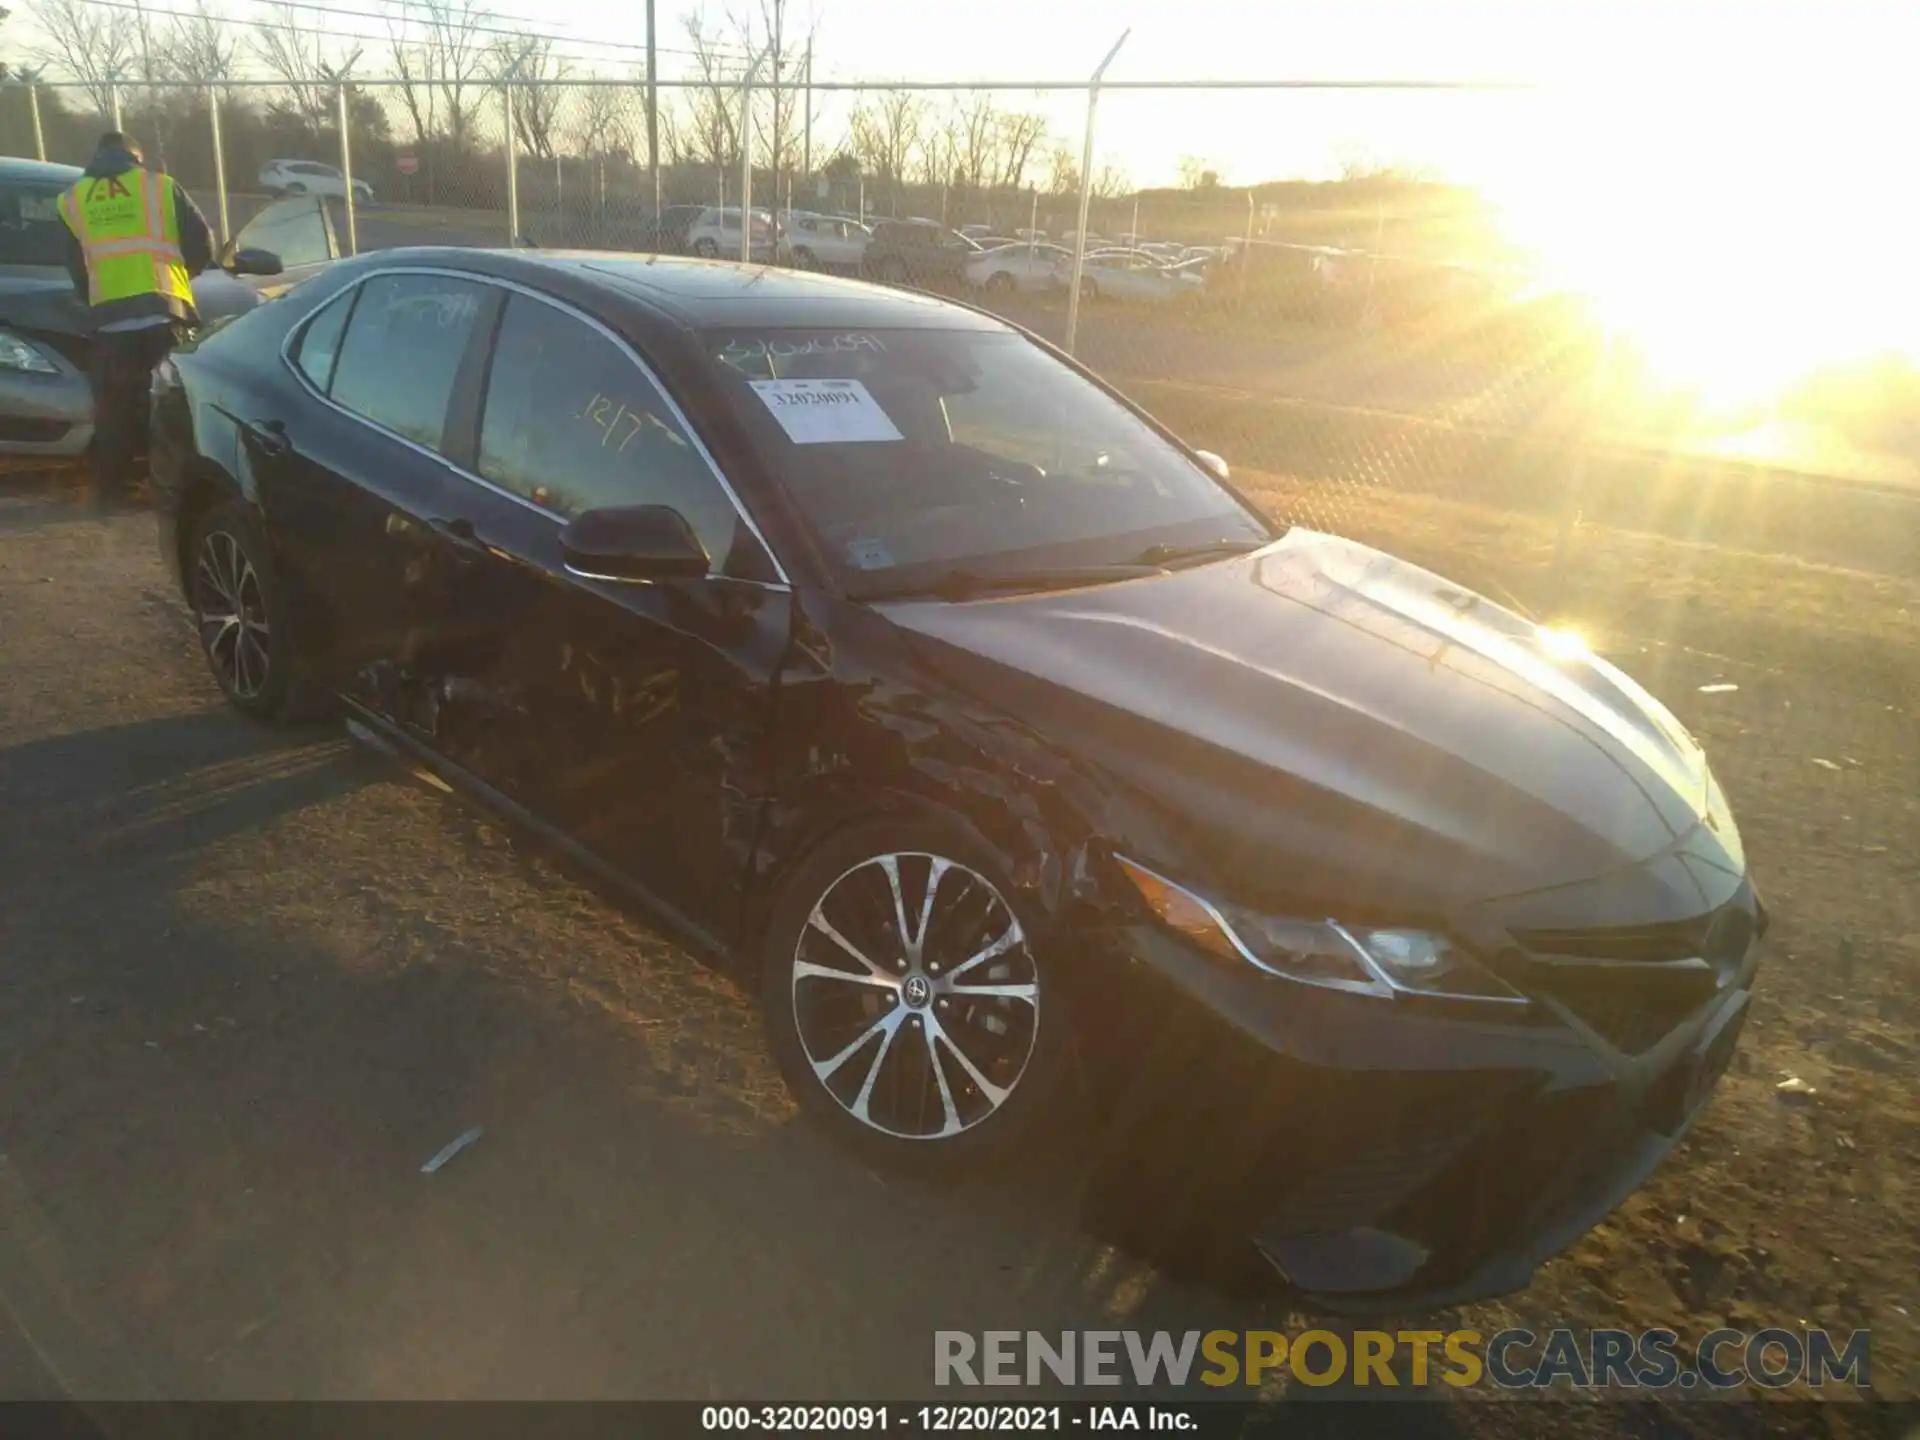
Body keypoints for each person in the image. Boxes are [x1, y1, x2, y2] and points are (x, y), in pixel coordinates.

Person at [57, 131, 215, 496]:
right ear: (135, 157)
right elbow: (202, 241)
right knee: (170, 403)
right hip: (164, 313)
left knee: (114, 408)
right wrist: (180, 275)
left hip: (110, 321)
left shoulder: (73, 199)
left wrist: (95, 299)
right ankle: (174, 485)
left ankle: (113, 488)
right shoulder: (159, 186)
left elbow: (75, 265)